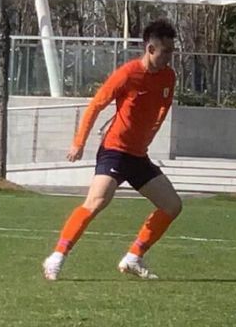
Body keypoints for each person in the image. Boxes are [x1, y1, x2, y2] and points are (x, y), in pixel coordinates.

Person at [42, 19, 182, 281]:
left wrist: (152, 131)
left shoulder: (168, 76)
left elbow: (164, 105)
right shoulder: (127, 74)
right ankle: (56, 257)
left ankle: (133, 257)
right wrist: (79, 142)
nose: (170, 57)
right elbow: (96, 105)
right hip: (115, 151)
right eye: (166, 51)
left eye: (172, 51)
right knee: (96, 202)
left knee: (172, 205)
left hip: (138, 156)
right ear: (150, 49)